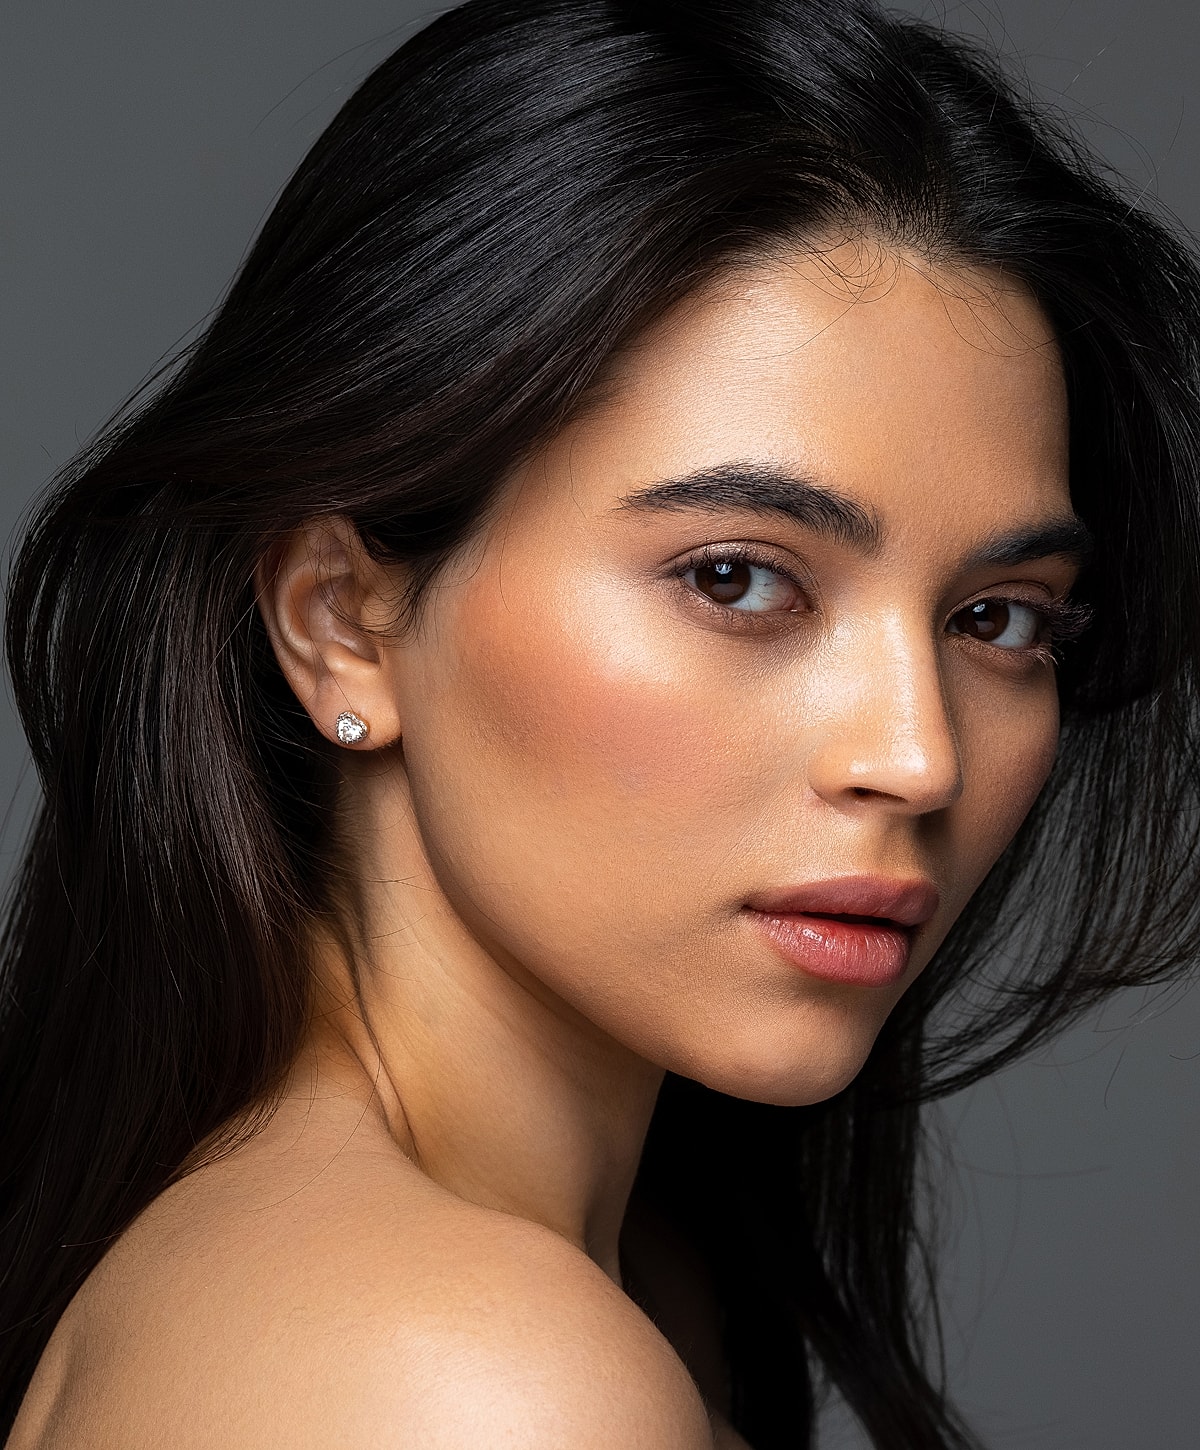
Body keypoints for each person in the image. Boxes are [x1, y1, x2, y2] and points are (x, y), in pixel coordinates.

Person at [3, 1, 1199, 1445]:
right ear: (341, 618)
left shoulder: (554, 1276)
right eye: (738, 577)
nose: (918, 754)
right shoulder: (470, 1375)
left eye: (1000, 616)